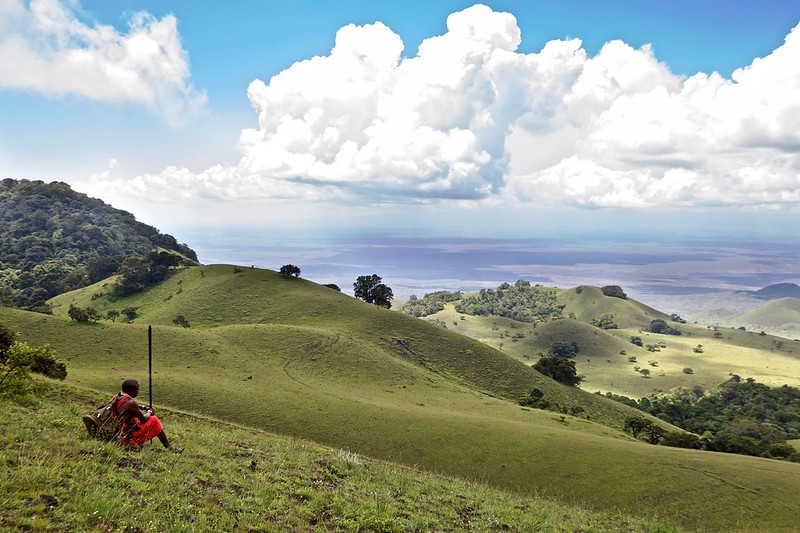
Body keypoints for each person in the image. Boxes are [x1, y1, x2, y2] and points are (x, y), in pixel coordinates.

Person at [111, 378, 183, 453]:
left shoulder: (119, 396)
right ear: (131, 390)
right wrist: (149, 412)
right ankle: (169, 447)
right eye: (137, 390)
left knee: (145, 421)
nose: (138, 392)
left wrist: (143, 407)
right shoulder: (131, 402)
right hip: (127, 434)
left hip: (120, 431)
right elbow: (143, 419)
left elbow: (130, 407)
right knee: (154, 420)